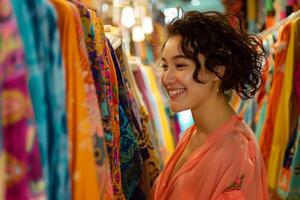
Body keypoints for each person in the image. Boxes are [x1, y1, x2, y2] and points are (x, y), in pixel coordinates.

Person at [151, 9, 269, 200]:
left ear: (216, 70)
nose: (166, 78)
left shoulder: (236, 156)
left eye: (180, 65)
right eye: (165, 66)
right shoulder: (194, 133)